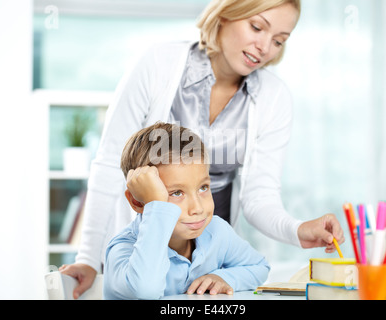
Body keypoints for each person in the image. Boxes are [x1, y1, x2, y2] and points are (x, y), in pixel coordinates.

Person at [60, 0, 345, 299]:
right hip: (150, 245)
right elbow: (109, 165)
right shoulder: (159, 63)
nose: (265, 47)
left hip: (203, 253)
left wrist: (297, 230)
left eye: (278, 41)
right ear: (224, 15)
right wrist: (88, 258)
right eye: (257, 27)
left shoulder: (274, 98)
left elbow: (259, 195)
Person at [103, 122, 270, 299]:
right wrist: (157, 208)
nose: (198, 208)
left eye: (203, 188)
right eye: (176, 192)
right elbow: (146, 290)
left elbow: (259, 266)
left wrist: (223, 277)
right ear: (138, 202)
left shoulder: (216, 231)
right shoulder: (123, 250)